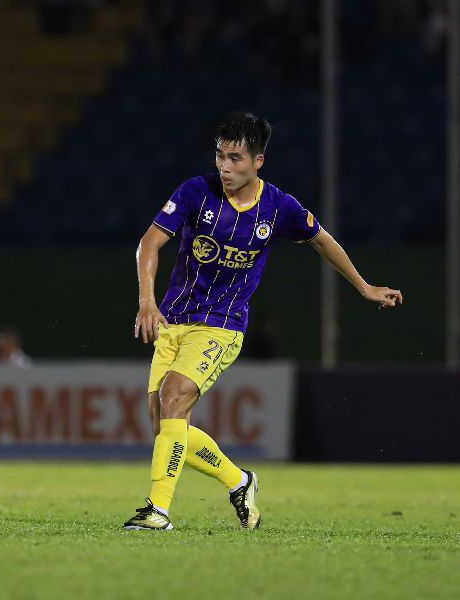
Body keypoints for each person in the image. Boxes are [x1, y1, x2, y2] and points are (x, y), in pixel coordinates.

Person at [124, 111, 402, 531]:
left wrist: (363, 287)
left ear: (258, 161)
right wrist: (147, 300)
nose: (225, 167)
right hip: (173, 321)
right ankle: (240, 481)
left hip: (222, 324)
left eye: (235, 158)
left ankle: (157, 511)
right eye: (220, 156)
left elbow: (321, 240)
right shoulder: (195, 192)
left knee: (175, 397)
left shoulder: (278, 207)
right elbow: (150, 242)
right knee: (167, 426)